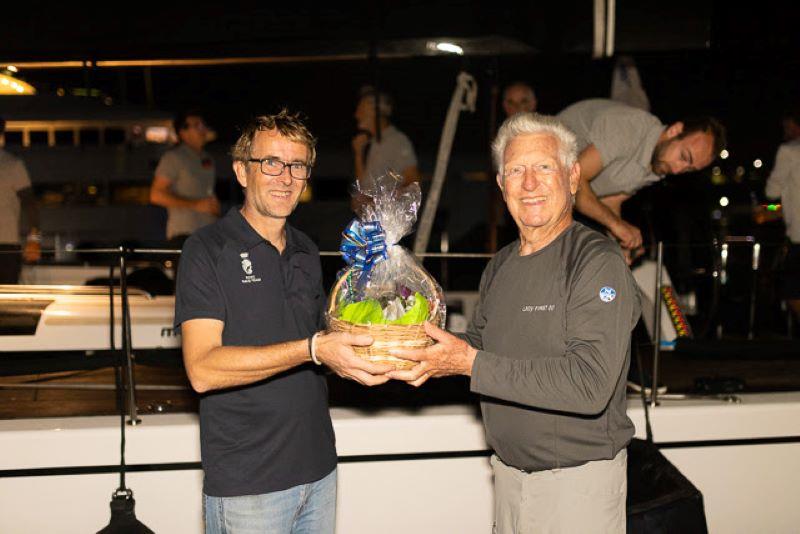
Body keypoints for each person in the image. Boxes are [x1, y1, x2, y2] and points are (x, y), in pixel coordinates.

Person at [389, 112, 641, 533]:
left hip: (577, 487)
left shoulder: (596, 262)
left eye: (544, 167)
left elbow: (590, 384)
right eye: (515, 171)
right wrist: (410, 342)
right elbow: (477, 347)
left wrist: (468, 363)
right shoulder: (501, 265)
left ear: (573, 176)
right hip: (507, 479)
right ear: (501, 184)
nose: (529, 184)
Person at [174, 109, 391, 534]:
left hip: (319, 470)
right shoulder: (206, 250)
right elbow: (201, 369)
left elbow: (322, 346)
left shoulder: (306, 250)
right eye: (270, 163)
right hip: (248, 484)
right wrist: (312, 348)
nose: (285, 177)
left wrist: (371, 343)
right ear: (241, 171)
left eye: (297, 166)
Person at [557, 98, 726, 260]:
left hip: (556, 197)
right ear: (674, 130)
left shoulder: (659, 164)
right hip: (539, 173)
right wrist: (617, 226)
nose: (677, 169)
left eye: (689, 169)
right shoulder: (629, 127)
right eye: (684, 156)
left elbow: (610, 201)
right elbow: (573, 181)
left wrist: (620, 243)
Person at [150, 109, 220, 247]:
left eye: (203, 124)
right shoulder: (173, 157)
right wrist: (196, 204)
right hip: (184, 236)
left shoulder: (207, 158)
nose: (203, 129)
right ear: (183, 132)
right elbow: (156, 195)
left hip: (209, 235)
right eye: (197, 125)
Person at [766, 108, 800, 322]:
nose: (785, 131)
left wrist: (768, 209)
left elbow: (772, 192)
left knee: (792, 290)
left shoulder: (788, 151)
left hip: (799, 234)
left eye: (788, 127)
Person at [352, 86, 420, 189]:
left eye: (361, 110)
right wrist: (358, 154)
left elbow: (413, 183)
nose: (357, 115)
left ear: (376, 111)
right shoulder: (374, 143)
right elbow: (363, 189)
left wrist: (384, 202)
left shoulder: (397, 140)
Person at [0, 117, 40, 283]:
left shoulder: (12, 164)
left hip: (6, 247)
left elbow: (29, 202)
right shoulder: (12, 163)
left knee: (5, 302)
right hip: (7, 248)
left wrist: (33, 240)